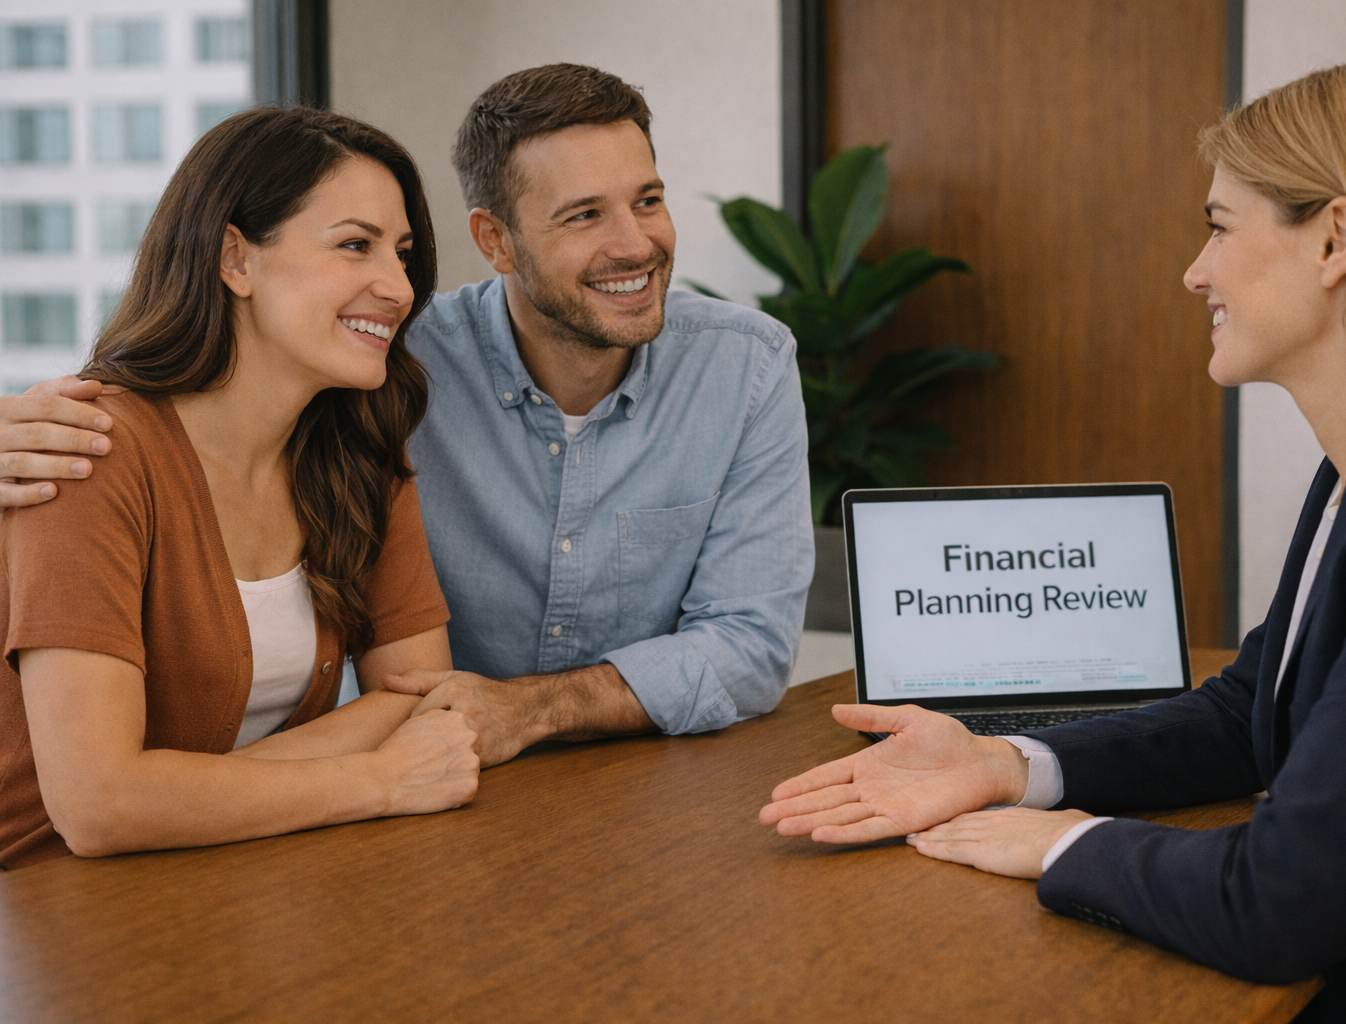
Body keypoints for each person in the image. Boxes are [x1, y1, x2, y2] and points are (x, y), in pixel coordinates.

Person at [758, 60, 1346, 1020]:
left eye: (1218, 226)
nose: (1194, 270)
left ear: (1336, 239)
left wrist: (1065, 844)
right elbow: (1252, 709)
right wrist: (1006, 765)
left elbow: (1282, 901)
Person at [0, 64, 813, 768]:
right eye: (584, 214)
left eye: (648, 200)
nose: (636, 244)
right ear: (494, 242)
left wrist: (520, 714)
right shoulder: (385, 368)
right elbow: (100, 797)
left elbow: (748, 645)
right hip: (242, 837)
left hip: (535, 790)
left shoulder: (745, 367)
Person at [0, 107, 481, 869]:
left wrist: (167, 796)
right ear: (235, 259)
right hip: (48, 911)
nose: (398, 286)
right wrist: (378, 781)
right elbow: (94, 810)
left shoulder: (360, 456)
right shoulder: (88, 450)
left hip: (244, 880)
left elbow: (424, 698)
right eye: (355, 245)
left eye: (403, 253)